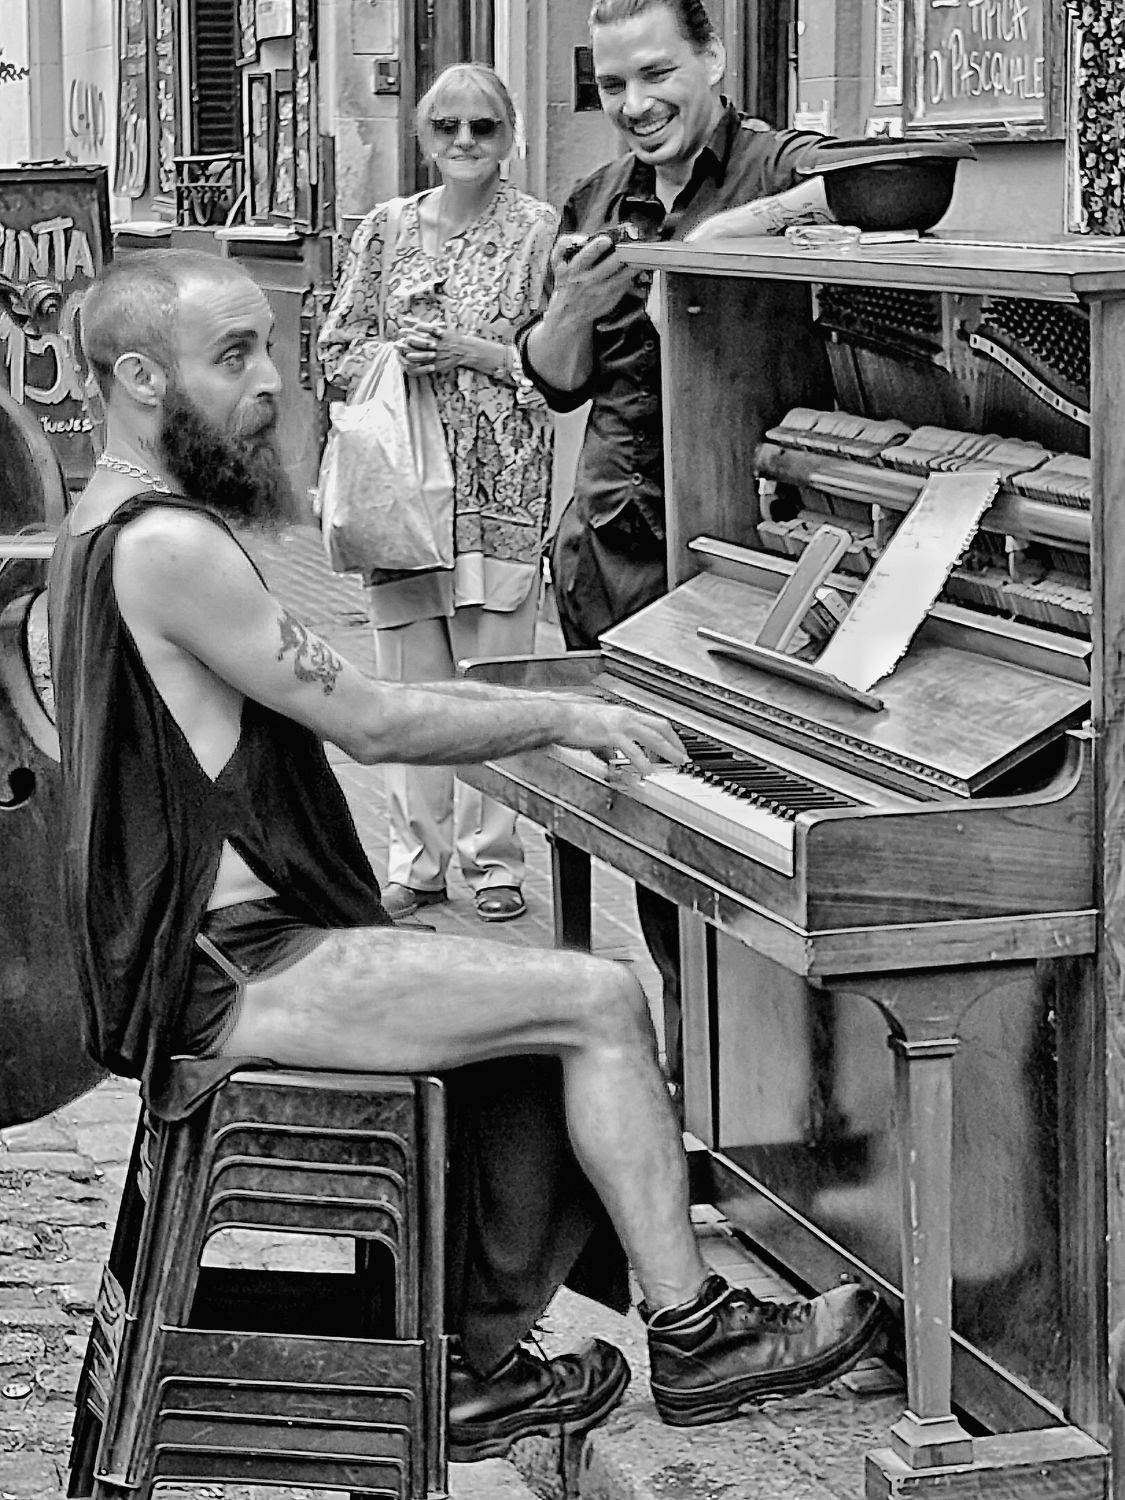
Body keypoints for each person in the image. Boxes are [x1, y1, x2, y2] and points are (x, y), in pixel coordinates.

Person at [48, 248, 885, 1464]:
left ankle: (478, 1366)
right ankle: (693, 1334)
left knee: (524, 999)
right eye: (231, 356)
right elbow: (374, 723)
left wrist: (552, 713)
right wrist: (564, 715)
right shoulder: (169, 545)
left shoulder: (100, 520)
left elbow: (327, 706)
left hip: (211, 959)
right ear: (139, 378)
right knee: (598, 997)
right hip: (235, 972)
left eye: (267, 348)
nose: (271, 381)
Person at [519, 0, 845, 1081]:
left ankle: (768, 1103)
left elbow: (868, 186)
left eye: (657, 73)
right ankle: (695, 1090)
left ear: (712, 56)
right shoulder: (595, 198)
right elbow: (557, 379)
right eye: (613, 84)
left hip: (748, 562)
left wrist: (711, 245)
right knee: (662, 851)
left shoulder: (772, 162)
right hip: (612, 558)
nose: (635, 103)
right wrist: (572, 304)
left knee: (765, 868)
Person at [318, 64, 558, 926]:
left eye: (482, 126)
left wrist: (473, 352)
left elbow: (563, 368)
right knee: (410, 686)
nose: (464, 141)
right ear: (423, 137)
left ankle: (493, 858)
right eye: (446, 126)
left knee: (491, 684)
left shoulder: (541, 232)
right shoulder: (383, 230)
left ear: (509, 135)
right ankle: (414, 860)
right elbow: (335, 347)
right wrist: (395, 356)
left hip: (502, 487)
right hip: (400, 491)